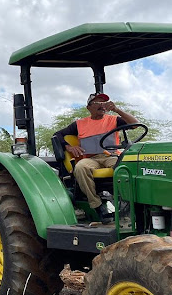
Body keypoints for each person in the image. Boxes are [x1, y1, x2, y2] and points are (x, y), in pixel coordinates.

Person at [53, 93, 137, 221]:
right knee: (80, 167)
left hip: (111, 156)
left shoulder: (113, 120)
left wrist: (117, 110)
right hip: (91, 159)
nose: (102, 105)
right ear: (89, 107)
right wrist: (69, 147)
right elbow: (58, 135)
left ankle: (127, 203)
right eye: (97, 103)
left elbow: (135, 124)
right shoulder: (79, 124)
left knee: (123, 167)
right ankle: (97, 206)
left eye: (103, 103)